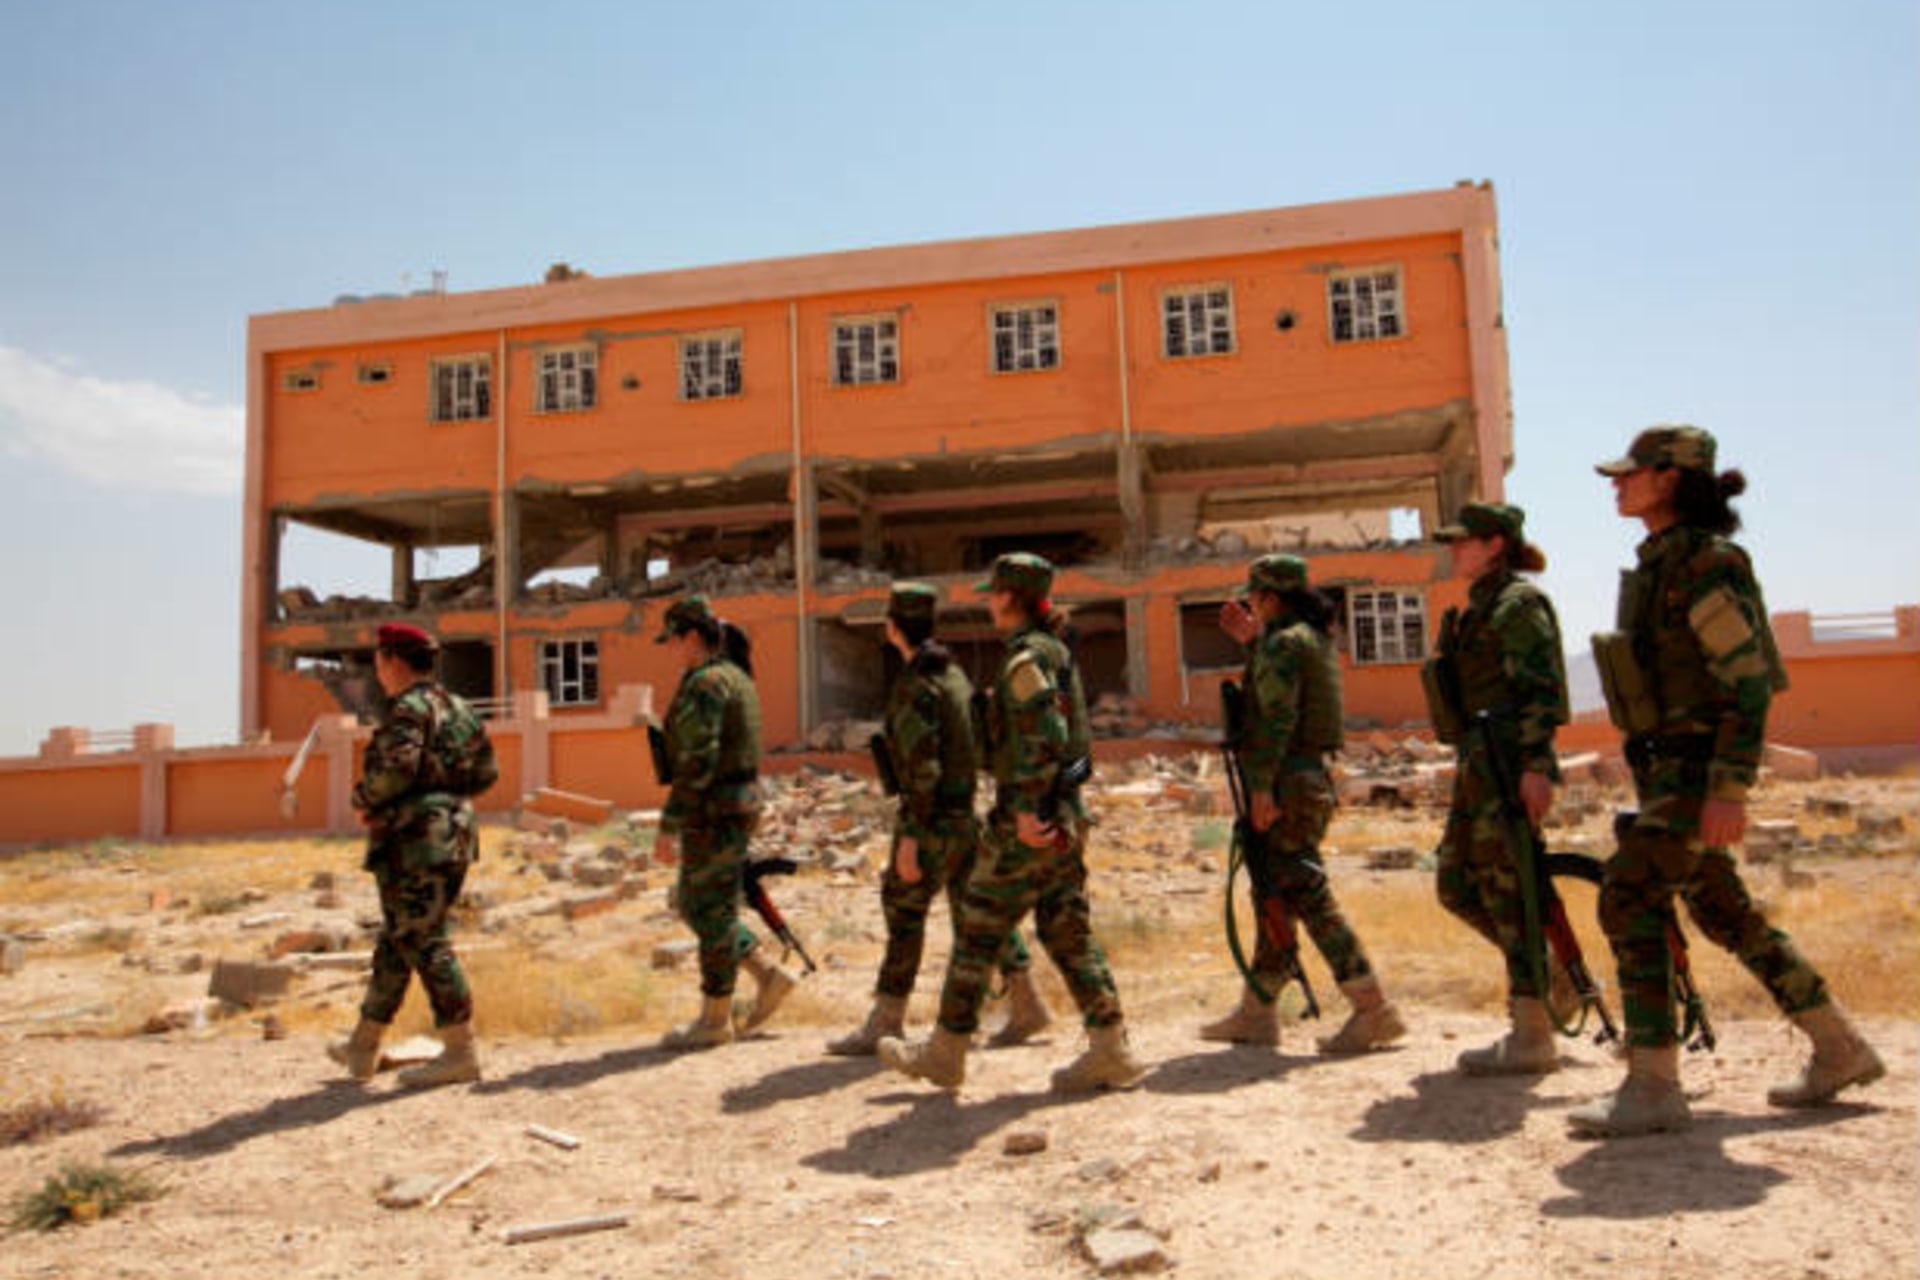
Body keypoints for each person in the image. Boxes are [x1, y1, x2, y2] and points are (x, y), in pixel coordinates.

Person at [1570, 425, 1885, 1137]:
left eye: (1632, 473)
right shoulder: (1662, 563)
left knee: (1630, 894)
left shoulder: (1707, 564)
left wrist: (1728, 790)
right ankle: (1839, 1047)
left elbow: (1747, 684)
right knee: (1722, 910)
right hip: (1671, 770)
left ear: (1673, 479)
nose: (1617, 484)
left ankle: (1652, 1081)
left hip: (1696, 769)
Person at [879, 553, 1144, 1092]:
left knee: (978, 927)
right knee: (1066, 930)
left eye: (992, 593)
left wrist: (1025, 810)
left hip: (1033, 818)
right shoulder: (1055, 652)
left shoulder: (1026, 659)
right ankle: (1111, 1048)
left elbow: (1042, 735)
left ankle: (945, 1053)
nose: (987, 602)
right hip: (1064, 813)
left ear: (1007, 597)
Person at [827, 582, 1052, 1055]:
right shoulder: (954, 677)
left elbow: (923, 769)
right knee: (978, 915)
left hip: (930, 825)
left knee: (904, 912)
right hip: (964, 819)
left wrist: (910, 836)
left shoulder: (916, 682)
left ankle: (886, 1019)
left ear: (892, 627)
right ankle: (1027, 1002)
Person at [1201, 554, 1405, 1053]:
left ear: (1269, 597)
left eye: (1255, 596)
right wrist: (1255, 643)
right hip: (1304, 777)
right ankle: (1258, 1010)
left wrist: (1263, 788)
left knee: (1305, 893)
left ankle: (1372, 1006)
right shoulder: (1304, 639)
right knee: (1276, 893)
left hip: (1287, 781)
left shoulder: (1286, 644)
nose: (1250, 604)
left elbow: (1275, 718)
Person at [1423, 503, 1570, 1074]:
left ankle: (1531, 1032)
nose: (1454, 550)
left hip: (1508, 763)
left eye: (1464, 542)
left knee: (1510, 893)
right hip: (1479, 762)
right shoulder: (1481, 608)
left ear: (1495, 545)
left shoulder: (1518, 605)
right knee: (1456, 885)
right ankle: (1551, 975)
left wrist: (1538, 766)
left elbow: (1541, 690)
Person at [328, 622, 498, 1088]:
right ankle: (363, 1045)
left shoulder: (408, 708)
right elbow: (487, 772)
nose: (378, 672)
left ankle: (460, 1050)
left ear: (395, 661)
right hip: (454, 834)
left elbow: (398, 768)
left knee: (425, 940)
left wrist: (367, 799)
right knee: (404, 937)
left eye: (379, 661)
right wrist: (449, 796)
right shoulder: (460, 708)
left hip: (415, 839)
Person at [651, 595, 798, 1051]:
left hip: (713, 809)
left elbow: (698, 758)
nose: (672, 650)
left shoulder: (707, 683)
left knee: (706, 908)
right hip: (736, 804)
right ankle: (765, 974)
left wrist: (670, 822)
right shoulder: (735, 677)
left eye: (673, 640)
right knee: (704, 904)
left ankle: (716, 1017)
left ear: (691, 636)